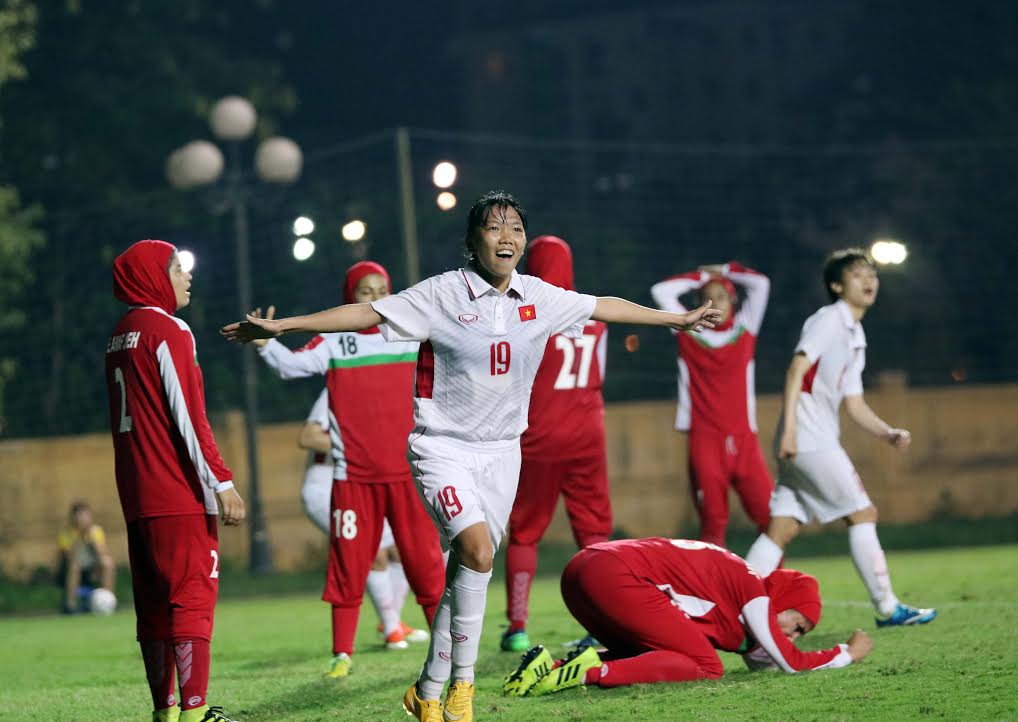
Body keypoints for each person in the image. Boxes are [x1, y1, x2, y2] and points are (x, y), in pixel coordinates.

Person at [221, 190, 721, 722]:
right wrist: (283, 327)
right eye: (493, 227)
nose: (506, 237)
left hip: (504, 454)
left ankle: (426, 691)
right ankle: (463, 690)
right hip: (442, 449)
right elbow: (365, 313)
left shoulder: (539, 295)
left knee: (466, 569)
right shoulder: (441, 294)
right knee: (479, 553)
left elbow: (605, 306)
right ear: (471, 240)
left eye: (515, 228)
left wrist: (676, 320)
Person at [248, 261, 445, 678]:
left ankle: (444, 652)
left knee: (426, 566)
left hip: (409, 476)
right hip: (353, 480)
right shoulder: (334, 341)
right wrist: (266, 345)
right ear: (349, 298)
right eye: (364, 291)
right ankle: (342, 654)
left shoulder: (412, 334)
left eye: (382, 289)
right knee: (349, 567)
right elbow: (292, 367)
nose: (375, 298)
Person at [744, 248, 937, 627]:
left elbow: (854, 402)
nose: (868, 280)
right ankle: (888, 608)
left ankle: (731, 600)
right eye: (857, 274)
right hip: (810, 442)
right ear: (836, 285)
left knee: (781, 531)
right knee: (863, 512)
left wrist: (887, 432)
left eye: (872, 274)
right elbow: (796, 368)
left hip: (805, 442)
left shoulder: (854, 333)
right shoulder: (829, 319)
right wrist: (792, 432)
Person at [106, 240, 245, 722]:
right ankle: (196, 711)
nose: (186, 276)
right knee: (190, 601)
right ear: (152, 276)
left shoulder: (120, 334)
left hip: (137, 497)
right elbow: (188, 413)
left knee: (154, 610)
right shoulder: (168, 329)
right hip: (178, 493)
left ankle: (164, 712)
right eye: (176, 268)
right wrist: (221, 481)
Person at [502, 538, 873, 697]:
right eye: (797, 625)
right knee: (707, 665)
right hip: (613, 573)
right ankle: (584, 673)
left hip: (583, 567)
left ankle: (549, 668)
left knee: (663, 650)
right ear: (783, 600)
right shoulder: (755, 592)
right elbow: (789, 664)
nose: (792, 635)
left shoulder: (738, 585)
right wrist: (846, 653)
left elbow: (761, 657)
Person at [501, 235, 612, 653]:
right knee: (595, 532)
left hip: (541, 436)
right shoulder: (592, 313)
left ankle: (517, 627)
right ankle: (605, 623)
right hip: (588, 435)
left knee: (526, 533)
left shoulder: (526, 312)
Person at [650, 262, 773, 547]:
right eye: (707, 297)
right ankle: (714, 589)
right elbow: (661, 291)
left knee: (770, 518)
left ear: (733, 301)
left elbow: (761, 284)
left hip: (744, 440)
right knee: (713, 524)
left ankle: (770, 585)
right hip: (706, 441)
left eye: (721, 296)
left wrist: (724, 270)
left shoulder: (746, 327)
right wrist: (703, 277)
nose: (714, 303)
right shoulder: (688, 330)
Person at [297, 389, 427, 653]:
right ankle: (391, 630)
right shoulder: (339, 385)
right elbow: (308, 437)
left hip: (361, 486)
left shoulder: (382, 389)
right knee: (373, 552)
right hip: (325, 487)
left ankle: (392, 622)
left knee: (399, 550)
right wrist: (358, 445)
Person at [57, 501, 116, 614]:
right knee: (74, 567)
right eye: (80, 516)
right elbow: (69, 558)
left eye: (86, 515)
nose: (83, 519)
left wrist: (91, 536)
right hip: (74, 569)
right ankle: (71, 605)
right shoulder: (66, 534)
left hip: (93, 567)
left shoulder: (96, 531)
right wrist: (79, 537)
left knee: (107, 563)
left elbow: (102, 553)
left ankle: (109, 600)